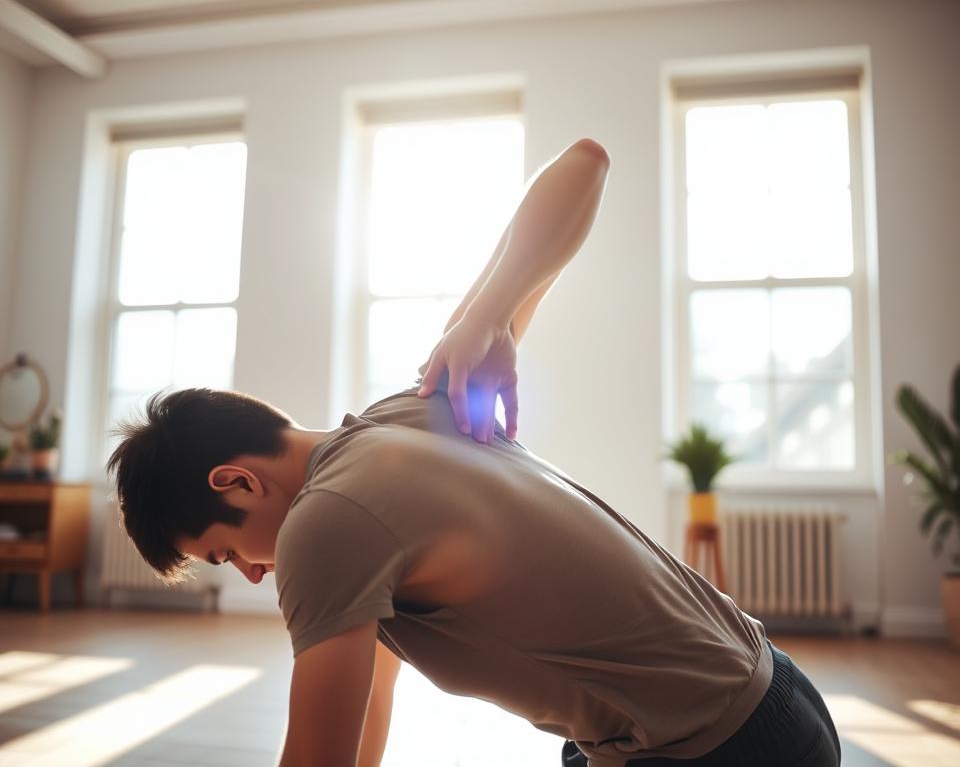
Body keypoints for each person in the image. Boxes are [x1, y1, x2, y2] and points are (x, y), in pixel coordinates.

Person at [107, 139, 841, 767]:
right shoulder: (423, 406)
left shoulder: (325, 525)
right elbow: (585, 163)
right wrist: (486, 315)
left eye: (225, 553)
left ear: (236, 481)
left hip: (713, 746)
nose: (252, 572)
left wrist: (488, 314)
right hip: (773, 692)